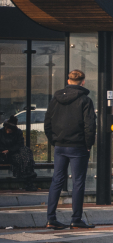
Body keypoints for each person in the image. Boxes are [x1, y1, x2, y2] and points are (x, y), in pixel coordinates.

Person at [42, 70, 97, 229]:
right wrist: (88, 145)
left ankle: (51, 218)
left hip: (60, 146)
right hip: (78, 146)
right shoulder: (85, 100)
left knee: (57, 181)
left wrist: (55, 140)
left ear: (68, 80)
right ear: (83, 82)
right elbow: (89, 125)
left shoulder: (56, 99)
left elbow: (47, 122)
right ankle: (76, 219)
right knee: (78, 182)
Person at [1, 116, 37, 190]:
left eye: (11, 129)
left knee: (26, 154)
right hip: (3, 155)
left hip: (14, 153)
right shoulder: (0, 133)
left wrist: (9, 150)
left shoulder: (18, 132)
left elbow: (20, 145)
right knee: (23, 158)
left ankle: (29, 182)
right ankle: (29, 182)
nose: (9, 131)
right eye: (8, 129)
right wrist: (5, 151)